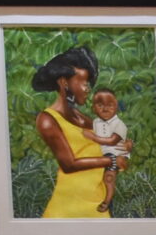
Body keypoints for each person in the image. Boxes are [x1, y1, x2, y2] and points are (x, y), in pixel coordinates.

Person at [27, 46, 123, 220]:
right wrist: (112, 160)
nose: (88, 89)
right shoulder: (48, 120)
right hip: (66, 210)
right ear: (64, 82)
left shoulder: (84, 119)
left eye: (89, 85)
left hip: (97, 205)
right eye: (84, 83)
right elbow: (69, 164)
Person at [84, 89, 133, 215]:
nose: (105, 109)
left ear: (116, 107)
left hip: (115, 153)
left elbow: (112, 141)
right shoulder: (95, 122)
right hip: (102, 153)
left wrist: (93, 137)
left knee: (109, 177)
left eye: (110, 105)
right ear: (94, 108)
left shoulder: (119, 124)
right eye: (100, 105)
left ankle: (107, 201)